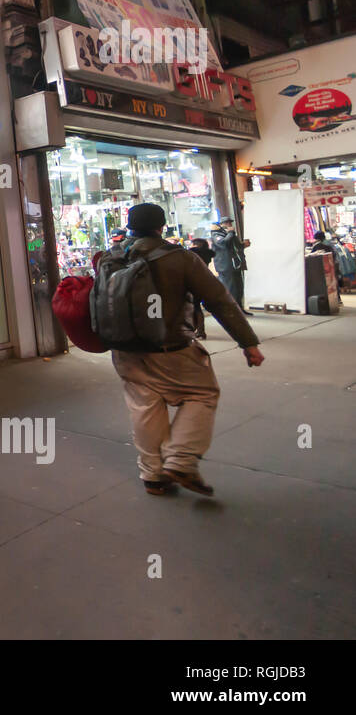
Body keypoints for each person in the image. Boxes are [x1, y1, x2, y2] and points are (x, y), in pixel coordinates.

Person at [104, 203, 263, 497]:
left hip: (125, 350)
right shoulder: (180, 258)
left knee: (145, 407)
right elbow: (220, 301)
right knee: (202, 392)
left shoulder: (110, 257)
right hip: (171, 348)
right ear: (161, 226)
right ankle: (181, 459)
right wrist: (248, 342)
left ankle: (153, 476)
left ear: (129, 225)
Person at [210, 217, 252, 315]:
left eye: (230, 222)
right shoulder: (217, 234)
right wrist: (231, 233)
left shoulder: (230, 234)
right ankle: (232, 311)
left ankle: (239, 308)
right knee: (230, 288)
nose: (229, 224)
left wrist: (243, 245)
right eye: (227, 223)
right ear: (222, 224)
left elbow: (237, 245)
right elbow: (223, 243)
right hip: (225, 266)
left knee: (239, 288)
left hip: (235, 264)